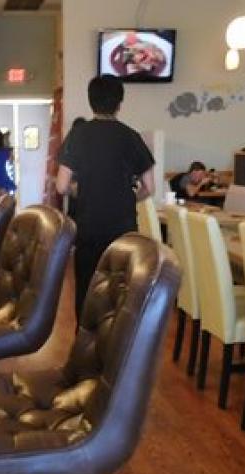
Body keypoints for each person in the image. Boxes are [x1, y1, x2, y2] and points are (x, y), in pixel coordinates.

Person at [56, 75, 155, 321]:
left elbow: (61, 186)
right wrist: (127, 198)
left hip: (88, 225)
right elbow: (149, 187)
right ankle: (118, 338)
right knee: (121, 290)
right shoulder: (131, 136)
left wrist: (82, 191)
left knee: (87, 286)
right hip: (123, 228)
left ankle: (85, 335)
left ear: (91, 102)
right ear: (119, 103)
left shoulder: (78, 135)